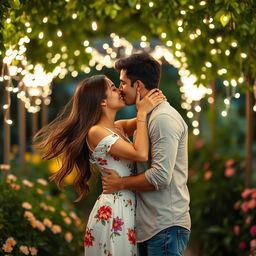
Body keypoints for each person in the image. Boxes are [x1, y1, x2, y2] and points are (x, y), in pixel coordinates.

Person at [33, 74, 165, 256]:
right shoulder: (96, 132)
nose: (119, 89)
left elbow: (147, 120)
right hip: (113, 212)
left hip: (127, 208)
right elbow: (140, 153)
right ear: (102, 102)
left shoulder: (118, 128)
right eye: (113, 88)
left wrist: (148, 100)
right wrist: (141, 112)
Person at [102, 53, 191, 256]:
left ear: (138, 86)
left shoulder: (163, 119)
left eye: (123, 83)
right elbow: (117, 128)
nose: (120, 89)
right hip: (151, 226)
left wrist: (121, 183)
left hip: (165, 226)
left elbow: (160, 176)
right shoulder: (147, 116)